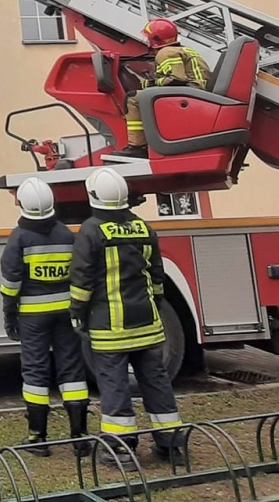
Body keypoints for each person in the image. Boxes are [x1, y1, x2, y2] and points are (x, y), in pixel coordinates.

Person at [69, 169, 187, 467]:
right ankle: (171, 445)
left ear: (93, 196)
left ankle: (121, 450)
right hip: (148, 326)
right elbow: (157, 278)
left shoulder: (91, 231)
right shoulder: (144, 228)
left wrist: (77, 315)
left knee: (115, 386)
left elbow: (82, 281)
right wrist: (154, 308)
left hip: (110, 329)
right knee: (157, 383)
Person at [0, 177, 91, 457]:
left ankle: (38, 439)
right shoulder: (66, 234)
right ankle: (80, 437)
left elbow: (11, 282)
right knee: (72, 370)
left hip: (32, 317)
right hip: (65, 313)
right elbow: (78, 273)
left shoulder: (19, 238)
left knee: (36, 371)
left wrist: (9, 314)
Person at [111, 18, 210, 158]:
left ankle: (137, 146)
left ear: (156, 39)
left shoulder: (166, 53)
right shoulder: (185, 50)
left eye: (149, 38)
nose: (147, 42)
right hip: (197, 91)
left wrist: (150, 84)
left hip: (190, 92)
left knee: (133, 98)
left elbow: (177, 79)